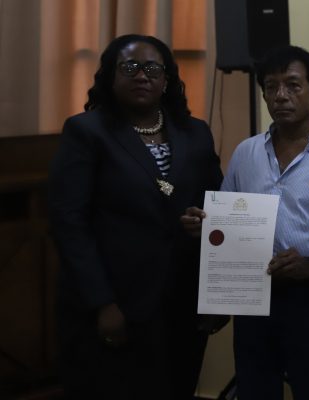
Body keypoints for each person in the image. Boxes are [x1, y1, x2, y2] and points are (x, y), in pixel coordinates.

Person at [185, 45, 309, 399]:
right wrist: (206, 224)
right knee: (255, 390)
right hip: (251, 296)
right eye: (271, 86)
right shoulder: (246, 153)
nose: (280, 96)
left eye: (293, 85)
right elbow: (229, 220)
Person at [49, 34, 223, 399]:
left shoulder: (196, 134)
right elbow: (70, 223)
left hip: (181, 305)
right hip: (115, 305)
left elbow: (215, 203)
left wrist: (203, 220)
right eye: (129, 67)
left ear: (166, 80)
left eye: (152, 68)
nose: (141, 75)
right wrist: (103, 303)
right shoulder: (86, 132)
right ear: (111, 76)